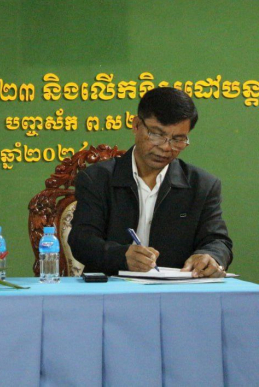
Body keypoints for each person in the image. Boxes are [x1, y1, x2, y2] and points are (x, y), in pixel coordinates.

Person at [68, 87, 232, 277]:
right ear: (136, 125)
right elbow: (82, 241)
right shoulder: (97, 179)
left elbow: (218, 241)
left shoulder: (202, 185)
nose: (165, 147)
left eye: (177, 139)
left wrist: (211, 256)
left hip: (176, 289)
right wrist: (121, 256)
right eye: (156, 134)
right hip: (111, 286)